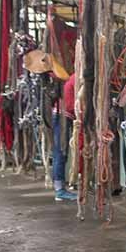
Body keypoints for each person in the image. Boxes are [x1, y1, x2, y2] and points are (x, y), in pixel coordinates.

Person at [52, 74, 77, 202]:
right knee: (60, 152)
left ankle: (60, 188)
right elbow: (72, 106)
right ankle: (60, 190)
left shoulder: (73, 78)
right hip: (62, 117)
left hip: (61, 116)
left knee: (60, 153)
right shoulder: (76, 80)